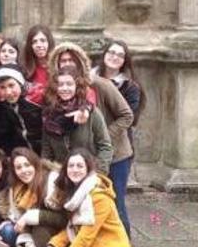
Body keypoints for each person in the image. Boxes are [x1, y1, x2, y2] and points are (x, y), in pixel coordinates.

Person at [38, 149, 132, 247]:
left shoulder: (98, 197)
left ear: (88, 169)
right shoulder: (75, 193)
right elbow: (72, 228)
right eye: (71, 166)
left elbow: (85, 237)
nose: (75, 169)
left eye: (80, 166)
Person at [47, 42, 134, 177]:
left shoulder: (101, 84)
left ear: (80, 62)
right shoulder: (55, 96)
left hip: (115, 154)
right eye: (63, 61)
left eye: (71, 60)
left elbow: (127, 115)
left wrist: (102, 136)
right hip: (78, 165)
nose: (67, 64)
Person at [92, 39, 144, 236]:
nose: (114, 57)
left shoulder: (130, 87)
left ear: (125, 61)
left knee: (116, 200)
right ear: (104, 54)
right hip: (91, 149)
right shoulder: (90, 79)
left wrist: (102, 136)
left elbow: (127, 118)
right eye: (111, 52)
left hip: (118, 151)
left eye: (120, 55)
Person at [3, 147, 67, 247]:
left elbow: (64, 219)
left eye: (27, 165)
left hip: (65, 234)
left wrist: (31, 216)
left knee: (40, 228)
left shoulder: (51, 180)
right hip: (39, 235)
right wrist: (29, 242)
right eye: (18, 167)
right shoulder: (17, 190)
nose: (24, 170)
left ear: (35, 164)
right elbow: (19, 224)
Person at [41, 66, 114, 171]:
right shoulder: (48, 115)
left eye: (69, 84)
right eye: (60, 85)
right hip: (61, 177)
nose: (65, 88)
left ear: (76, 86)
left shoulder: (91, 113)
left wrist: (98, 173)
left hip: (89, 174)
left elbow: (105, 147)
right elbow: (46, 153)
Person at [0, 65, 43, 152]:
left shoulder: (37, 98)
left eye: (11, 85)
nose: (8, 92)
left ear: (20, 83)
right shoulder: (5, 106)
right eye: (2, 87)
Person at [23, 25, 55, 104]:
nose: (39, 45)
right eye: (34, 42)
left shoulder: (58, 66)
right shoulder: (24, 69)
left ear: (49, 43)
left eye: (43, 40)